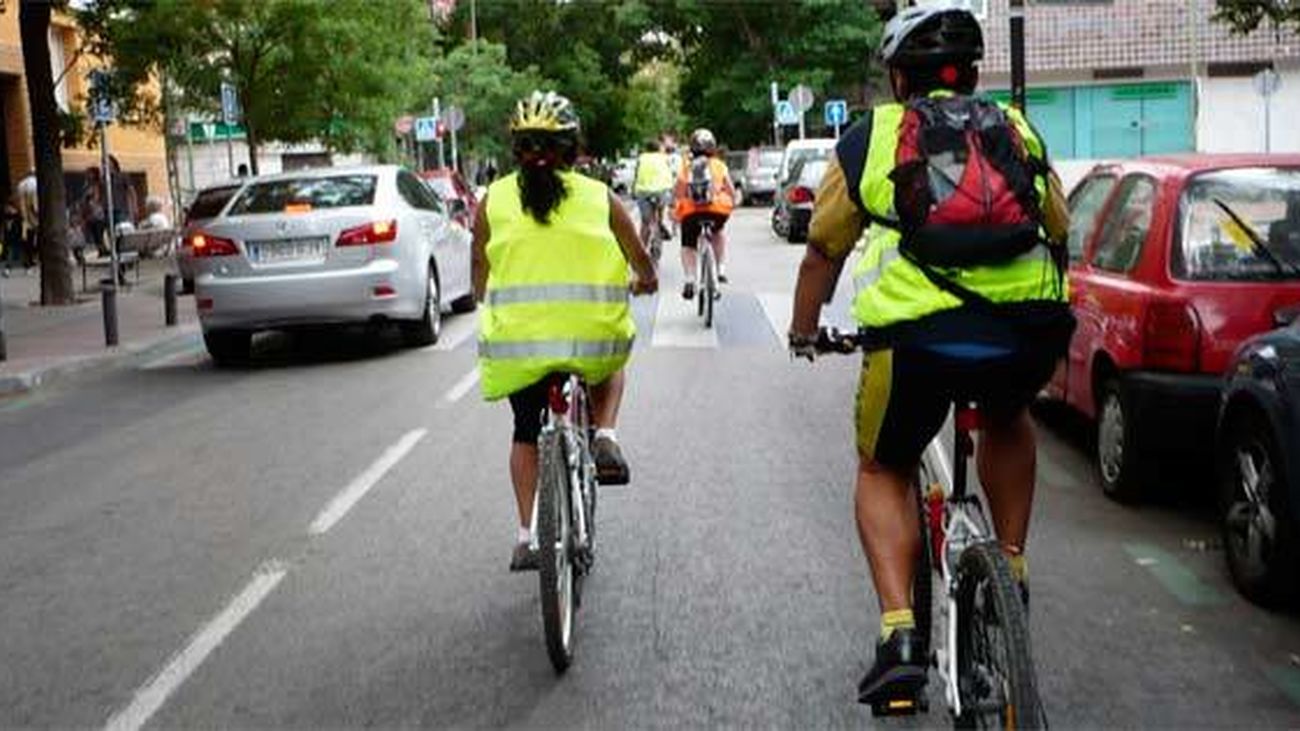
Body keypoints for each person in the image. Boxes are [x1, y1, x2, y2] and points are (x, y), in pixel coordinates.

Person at [787, 5, 1074, 708]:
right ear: (974, 75)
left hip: (916, 342)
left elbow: (823, 250)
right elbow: (1061, 225)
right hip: (1027, 328)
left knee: (883, 464)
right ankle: (1011, 565)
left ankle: (900, 637)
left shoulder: (871, 138)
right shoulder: (1017, 128)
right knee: (1006, 420)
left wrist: (803, 332)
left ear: (895, 79)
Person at [472, 90, 658, 572]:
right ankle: (607, 435)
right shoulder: (602, 198)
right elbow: (641, 259)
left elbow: (478, 273)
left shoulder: (491, 201)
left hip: (519, 348)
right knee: (613, 363)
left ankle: (526, 534)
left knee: (524, 431)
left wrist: (483, 297)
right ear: (572, 151)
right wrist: (646, 280)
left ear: (516, 152)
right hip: (590, 339)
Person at [672, 128, 736, 299]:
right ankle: (720, 269)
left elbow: (678, 193)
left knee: (688, 245)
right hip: (717, 211)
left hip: (692, 213)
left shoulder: (687, 167)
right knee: (718, 231)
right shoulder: (719, 165)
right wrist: (733, 202)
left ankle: (690, 279)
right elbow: (731, 191)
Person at [632, 139, 675, 250]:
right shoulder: (664, 158)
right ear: (658, 149)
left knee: (645, 222)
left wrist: (633, 190)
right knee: (660, 210)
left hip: (643, 191)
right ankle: (660, 224)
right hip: (662, 190)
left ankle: (642, 250)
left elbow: (636, 175)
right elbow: (670, 174)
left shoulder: (641, 158)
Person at [80, 167, 108, 256]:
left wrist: (90, 200)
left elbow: (96, 198)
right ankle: (101, 250)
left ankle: (103, 250)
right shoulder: (87, 186)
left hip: (97, 212)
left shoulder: (98, 185)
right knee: (94, 233)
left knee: (99, 232)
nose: (88, 175)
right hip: (90, 213)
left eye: (90, 173)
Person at [15, 169, 38, 271]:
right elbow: (35, 204)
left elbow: (18, 202)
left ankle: (27, 260)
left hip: (24, 217)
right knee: (36, 238)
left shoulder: (21, 184)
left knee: (27, 239)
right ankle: (33, 258)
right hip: (34, 217)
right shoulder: (35, 184)